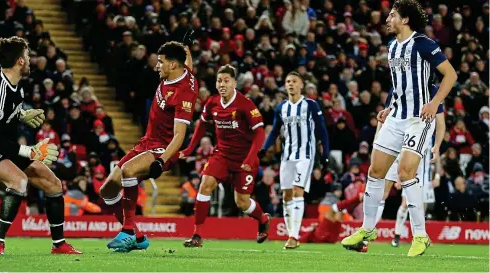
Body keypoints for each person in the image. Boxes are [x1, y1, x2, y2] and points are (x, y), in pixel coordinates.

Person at [340, 0, 458, 257]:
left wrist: (435, 103)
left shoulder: (424, 44)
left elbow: (451, 75)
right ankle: (367, 230)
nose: (387, 19)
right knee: (375, 170)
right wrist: (389, 106)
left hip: (419, 118)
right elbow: (399, 86)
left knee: (405, 172)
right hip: (397, 117)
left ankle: (420, 235)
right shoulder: (392, 47)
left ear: (405, 19)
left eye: (392, 15)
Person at [0, 36, 81, 255]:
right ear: (19, 61)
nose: (29, 60)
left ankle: (59, 244)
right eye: (26, 56)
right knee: (19, 181)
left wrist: (22, 115)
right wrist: (30, 150)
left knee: (53, 182)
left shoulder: (17, 86)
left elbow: (5, 120)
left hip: (4, 146)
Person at [98, 37, 199, 252]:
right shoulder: (183, 72)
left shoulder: (183, 94)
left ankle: (127, 232)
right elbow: (188, 63)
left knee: (128, 170)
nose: (156, 66)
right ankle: (139, 237)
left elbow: (179, 136)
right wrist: (186, 47)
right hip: (147, 141)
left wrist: (162, 161)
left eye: (161, 62)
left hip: (164, 147)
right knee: (107, 190)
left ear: (172, 65)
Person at [178, 65, 270, 247]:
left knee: (242, 202)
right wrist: (189, 149)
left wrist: (250, 159)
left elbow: (260, 133)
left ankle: (263, 219)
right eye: (219, 81)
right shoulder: (212, 103)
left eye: (226, 81)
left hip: (244, 159)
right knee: (204, 186)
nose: (222, 84)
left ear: (235, 83)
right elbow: (201, 126)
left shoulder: (245, 104)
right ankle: (197, 235)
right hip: (221, 155)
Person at [258, 71, 329, 249]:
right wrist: (265, 148)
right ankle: (291, 235)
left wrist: (325, 154)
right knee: (286, 195)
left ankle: (294, 237)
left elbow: (322, 131)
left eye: (294, 81)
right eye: (288, 81)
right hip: (287, 156)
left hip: (305, 156)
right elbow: (275, 131)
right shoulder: (281, 107)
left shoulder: (311, 105)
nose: (290, 84)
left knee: (298, 191)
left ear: (301, 85)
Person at [381, 85, 445, 247]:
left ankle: (413, 236)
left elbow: (441, 123)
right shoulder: (397, 86)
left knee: (415, 200)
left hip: (419, 152)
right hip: (397, 146)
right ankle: (372, 232)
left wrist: (437, 146)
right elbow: (385, 116)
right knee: (384, 192)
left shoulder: (433, 91)